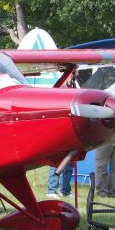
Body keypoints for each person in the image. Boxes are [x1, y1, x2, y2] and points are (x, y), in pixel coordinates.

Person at [46, 70, 77, 199]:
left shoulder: (74, 87)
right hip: (60, 130)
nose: (74, 75)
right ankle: (51, 190)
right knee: (57, 161)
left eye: (75, 73)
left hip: (72, 130)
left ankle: (65, 190)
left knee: (70, 162)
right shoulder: (59, 89)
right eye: (72, 73)